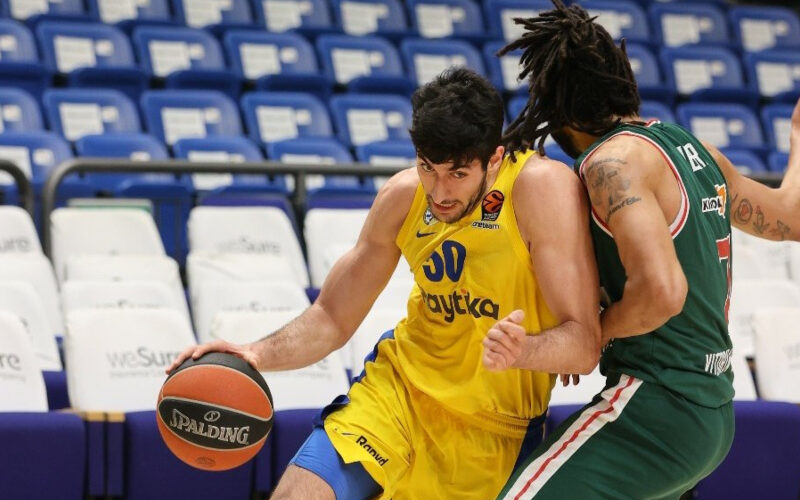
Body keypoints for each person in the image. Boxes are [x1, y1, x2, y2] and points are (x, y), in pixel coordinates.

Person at [168, 67, 602, 499]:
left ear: (493, 158)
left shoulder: (540, 190)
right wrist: (254, 353)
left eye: (457, 174)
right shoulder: (403, 197)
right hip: (397, 396)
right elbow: (331, 317)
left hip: (495, 430)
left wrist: (524, 351)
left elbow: (583, 345)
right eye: (427, 167)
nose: (439, 192)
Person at [483, 2, 800, 499]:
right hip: (713, 411)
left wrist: (592, 334)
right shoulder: (694, 150)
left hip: (657, 406)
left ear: (560, 109)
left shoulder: (610, 164)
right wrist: (797, 135)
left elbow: (664, 292)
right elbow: (789, 218)